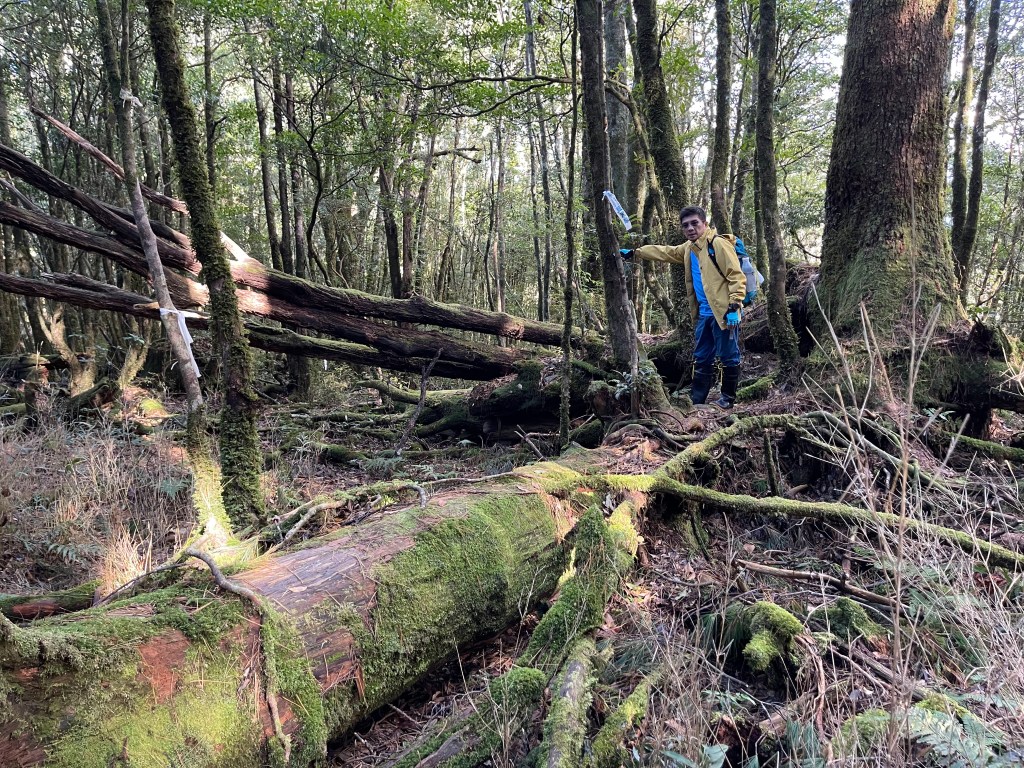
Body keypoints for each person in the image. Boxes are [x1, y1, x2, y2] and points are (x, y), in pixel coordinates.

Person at [620, 206, 745, 408]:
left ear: (705, 224)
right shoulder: (689, 248)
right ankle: (697, 400)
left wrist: (734, 306)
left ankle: (727, 399)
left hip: (724, 312)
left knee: (728, 355)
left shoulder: (718, 244)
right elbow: (666, 252)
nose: (690, 228)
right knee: (702, 356)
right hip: (704, 314)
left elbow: (736, 277)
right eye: (685, 225)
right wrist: (636, 253)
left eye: (695, 223)